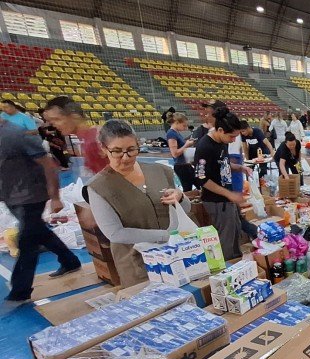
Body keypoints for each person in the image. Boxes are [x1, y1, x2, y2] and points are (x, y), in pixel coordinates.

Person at [87, 120, 190, 287]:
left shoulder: (159, 171)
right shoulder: (98, 187)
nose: (126, 158)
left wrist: (180, 198)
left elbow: (184, 210)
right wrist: (165, 236)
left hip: (175, 257)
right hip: (137, 265)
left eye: (131, 150)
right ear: (104, 149)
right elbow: (115, 233)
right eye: (117, 152)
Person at [0, 117, 81, 305]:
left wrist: (55, 197)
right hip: (13, 198)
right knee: (39, 233)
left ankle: (20, 291)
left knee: (27, 241)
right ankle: (70, 261)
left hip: (32, 196)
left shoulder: (16, 135)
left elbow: (47, 164)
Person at [193, 107, 250, 260]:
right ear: (219, 130)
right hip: (217, 201)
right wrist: (229, 194)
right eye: (231, 136)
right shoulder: (205, 146)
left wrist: (240, 168)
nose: (233, 140)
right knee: (225, 239)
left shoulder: (222, 141)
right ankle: (228, 271)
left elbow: (222, 164)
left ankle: (237, 263)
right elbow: (201, 178)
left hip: (227, 198)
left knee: (235, 232)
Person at [43, 96, 108, 174]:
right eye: (51, 121)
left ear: (74, 116)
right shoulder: (87, 139)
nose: (53, 125)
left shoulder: (95, 140)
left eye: (57, 119)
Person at [166, 113, 196, 192]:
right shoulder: (171, 133)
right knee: (187, 189)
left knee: (198, 184)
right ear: (177, 123)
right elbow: (174, 154)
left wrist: (187, 143)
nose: (185, 128)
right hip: (181, 166)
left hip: (185, 164)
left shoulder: (176, 133)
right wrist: (186, 145)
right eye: (184, 125)